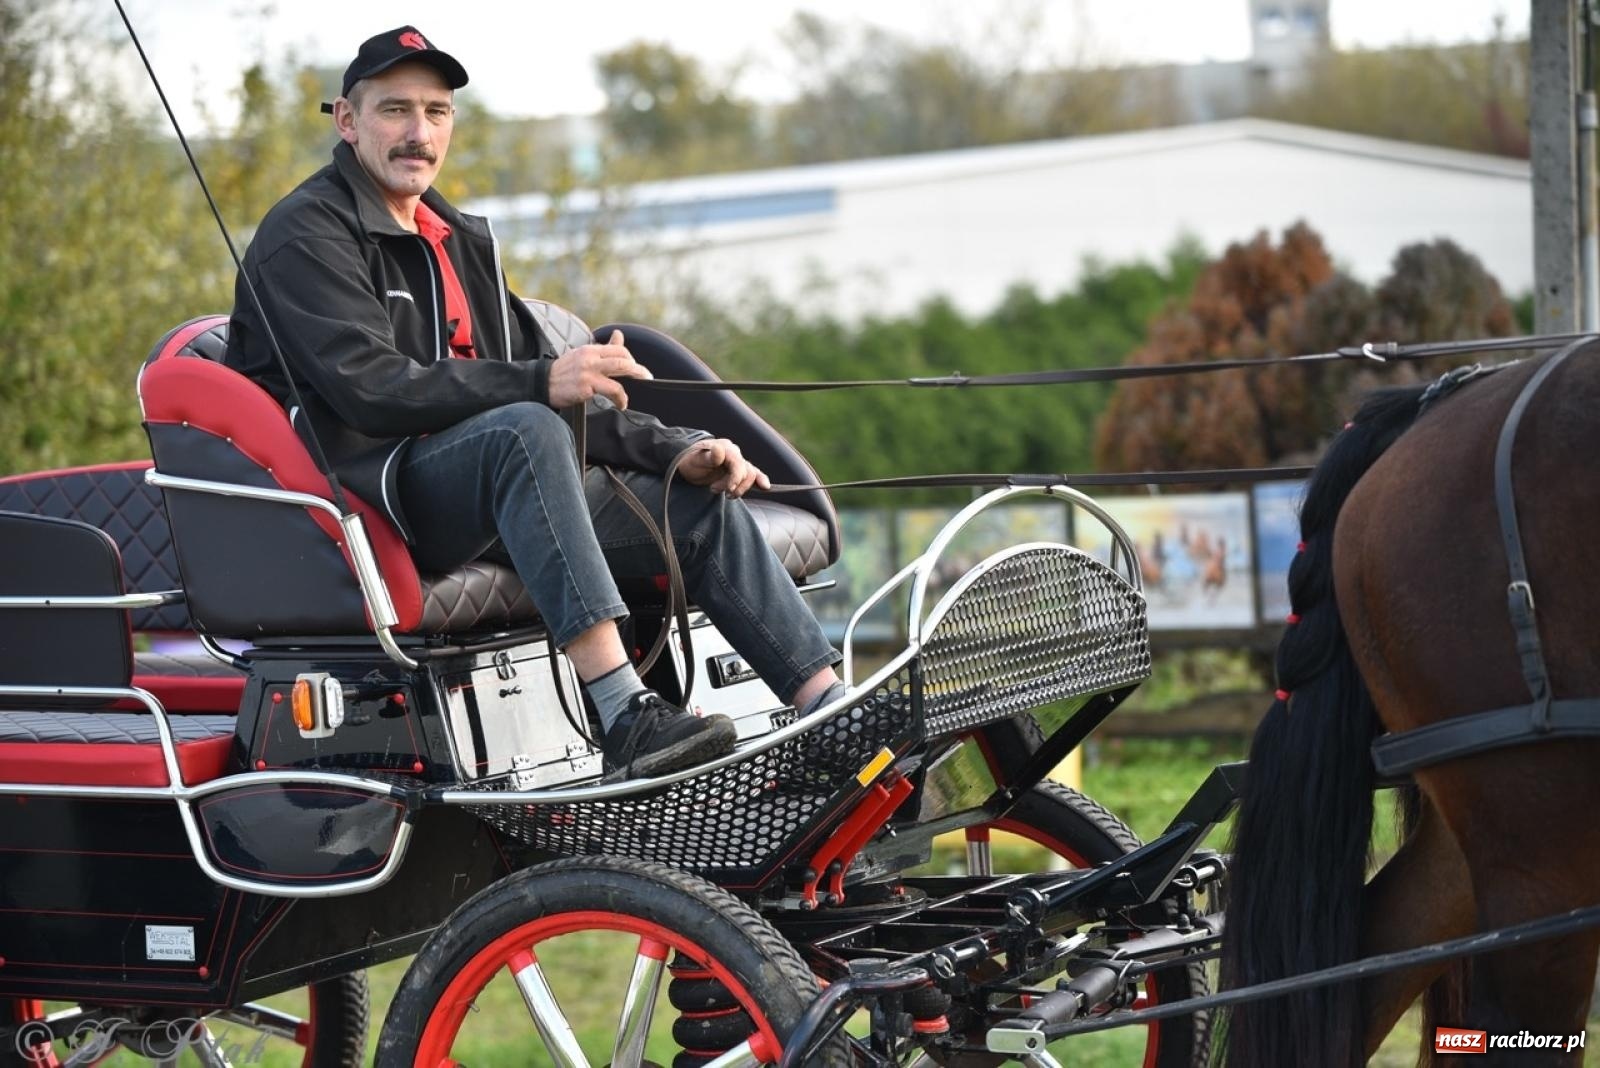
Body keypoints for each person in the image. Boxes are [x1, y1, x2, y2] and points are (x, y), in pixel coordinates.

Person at [224, 26, 847, 780]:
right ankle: (624, 710)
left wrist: (677, 451)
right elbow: (370, 388)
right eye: (394, 110)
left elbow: (560, 384)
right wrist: (537, 385)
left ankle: (829, 717)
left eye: (436, 111)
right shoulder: (304, 236)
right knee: (523, 428)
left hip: (497, 487)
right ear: (348, 122)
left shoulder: (456, 239)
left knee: (695, 507)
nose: (418, 133)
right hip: (374, 502)